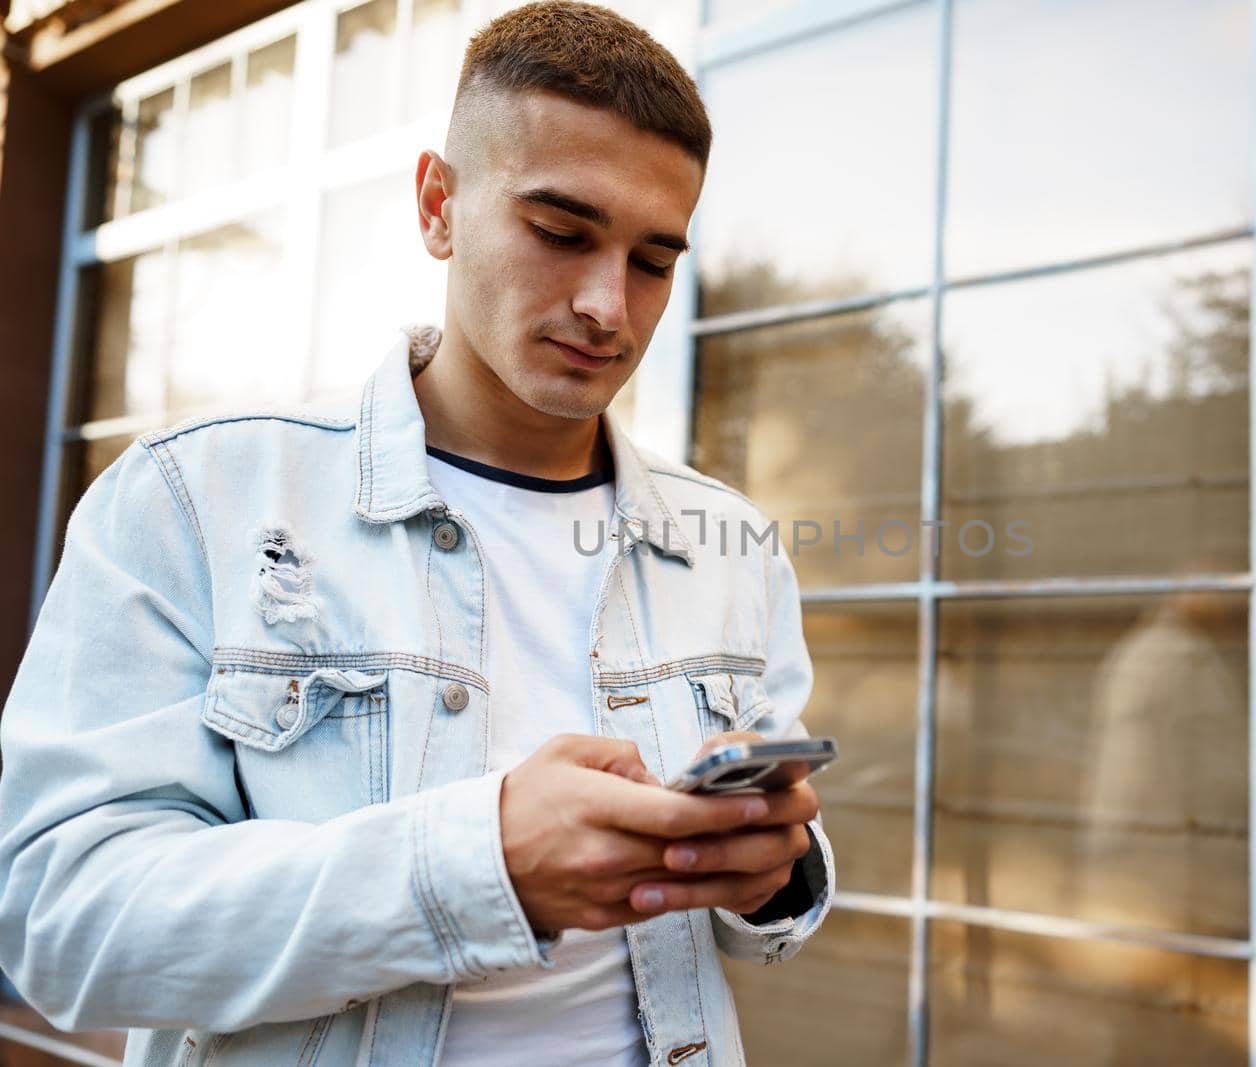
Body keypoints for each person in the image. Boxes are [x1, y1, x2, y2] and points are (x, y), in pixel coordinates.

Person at [0, 4, 833, 1065]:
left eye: (653, 261)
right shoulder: (194, 495)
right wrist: (474, 863)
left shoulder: (732, 541)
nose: (607, 308)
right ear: (438, 205)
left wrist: (776, 869)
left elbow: (770, 910)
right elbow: (60, 922)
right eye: (562, 232)